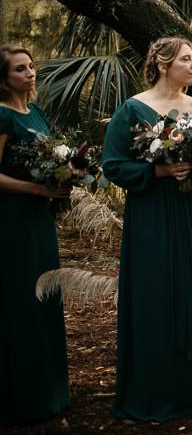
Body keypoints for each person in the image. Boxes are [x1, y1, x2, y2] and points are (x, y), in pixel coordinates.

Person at [101, 37, 192, 421]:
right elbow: (112, 165)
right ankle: (156, 390)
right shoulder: (133, 109)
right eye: (187, 59)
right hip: (154, 215)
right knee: (156, 292)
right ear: (162, 64)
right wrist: (157, 171)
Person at [0, 43, 71, 426]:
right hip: (12, 222)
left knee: (47, 296)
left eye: (30, 67)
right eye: (18, 69)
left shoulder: (38, 113)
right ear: (3, 78)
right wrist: (37, 190)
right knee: (21, 300)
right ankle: (21, 398)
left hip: (41, 220)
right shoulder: (1, 116)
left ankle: (51, 392)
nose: (29, 74)